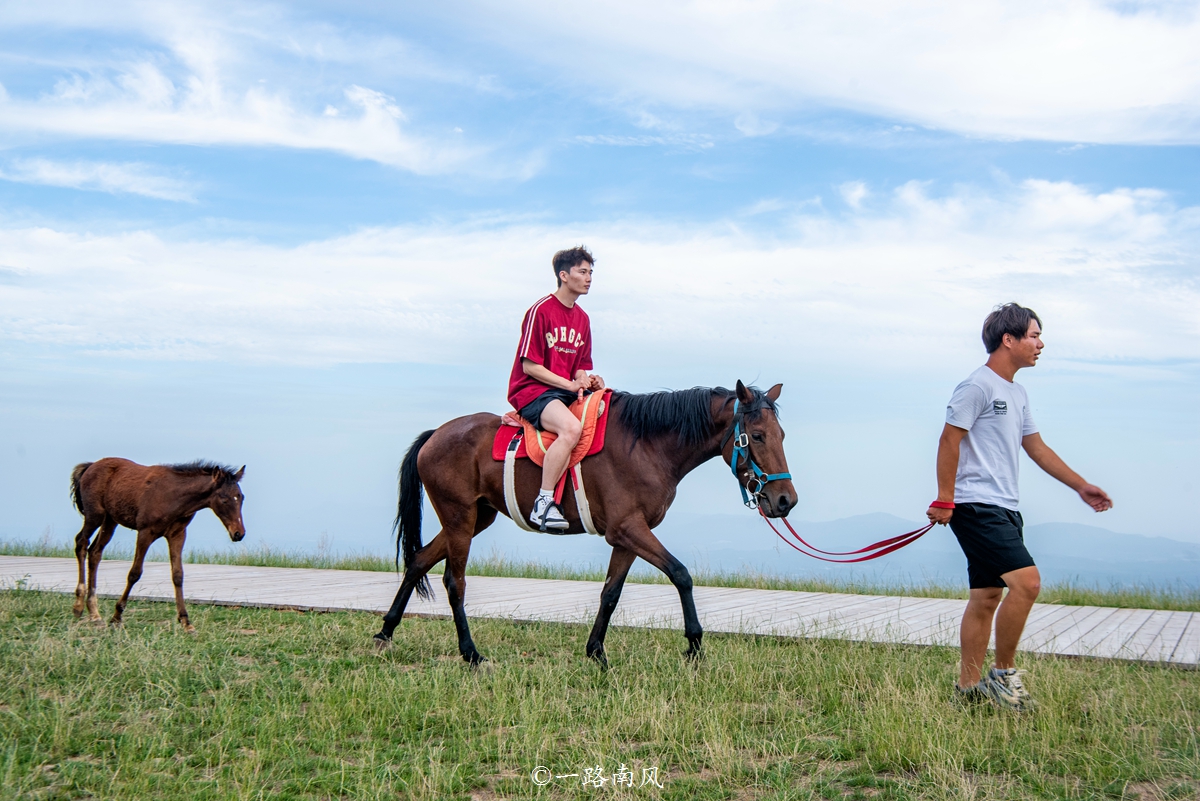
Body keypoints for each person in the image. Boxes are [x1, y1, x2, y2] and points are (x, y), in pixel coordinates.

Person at [927, 303, 1112, 711]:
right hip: (976, 505)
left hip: (1005, 506)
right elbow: (948, 441)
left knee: (987, 595)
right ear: (1007, 340)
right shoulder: (977, 386)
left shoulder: (1017, 392)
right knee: (1027, 583)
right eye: (1033, 335)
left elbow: (1036, 448)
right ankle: (1003, 675)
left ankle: (968, 689)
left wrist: (1080, 486)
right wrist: (945, 498)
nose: (1040, 343)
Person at [508, 246, 605, 531]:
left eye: (590, 273)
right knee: (572, 429)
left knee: (605, 410)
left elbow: (580, 365)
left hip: (563, 391)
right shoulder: (541, 310)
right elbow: (530, 367)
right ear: (564, 275)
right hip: (533, 392)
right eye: (582, 272)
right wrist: (571, 384)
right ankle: (543, 502)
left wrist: (588, 381)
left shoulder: (583, 319)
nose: (588, 278)